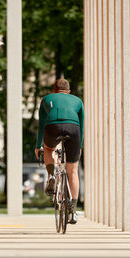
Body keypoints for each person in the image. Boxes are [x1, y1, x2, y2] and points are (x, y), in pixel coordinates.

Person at [35, 78, 84, 224]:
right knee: (73, 170)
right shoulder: (78, 101)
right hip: (73, 128)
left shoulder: (46, 99)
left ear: (54, 90)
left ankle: (51, 175)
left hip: (52, 126)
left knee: (49, 149)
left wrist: (39, 146)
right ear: (69, 92)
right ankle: (73, 211)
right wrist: (79, 146)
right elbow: (81, 125)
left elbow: (42, 125)